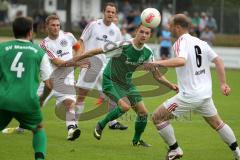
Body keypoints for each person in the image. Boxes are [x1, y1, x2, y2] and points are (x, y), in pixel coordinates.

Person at [147, 14, 240, 160]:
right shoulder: (201, 42)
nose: (168, 28)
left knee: (158, 117)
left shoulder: (179, 42)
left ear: (177, 28)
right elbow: (219, 60)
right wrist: (223, 83)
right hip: (205, 95)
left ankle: (175, 150)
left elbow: (181, 61)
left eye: (170, 26)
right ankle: (237, 153)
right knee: (218, 123)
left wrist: (157, 63)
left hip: (189, 96)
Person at [72, 24, 178, 146]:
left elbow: (157, 75)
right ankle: (100, 124)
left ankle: (136, 141)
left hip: (126, 83)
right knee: (125, 106)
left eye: (147, 33)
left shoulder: (147, 52)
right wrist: (78, 58)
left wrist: (170, 85)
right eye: (141, 32)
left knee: (143, 112)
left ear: (150, 36)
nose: (143, 35)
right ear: (136, 31)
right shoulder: (123, 45)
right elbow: (99, 50)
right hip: (110, 80)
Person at [0, 16, 52, 160]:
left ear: (13, 31)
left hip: (3, 99)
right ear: (30, 32)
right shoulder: (39, 52)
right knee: (38, 128)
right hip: (27, 101)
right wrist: (41, 99)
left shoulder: (1, 48)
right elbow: (48, 84)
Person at [75, 2, 128, 130]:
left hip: (105, 67)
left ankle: (112, 122)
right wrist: (80, 58)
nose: (110, 14)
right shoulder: (94, 25)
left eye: (112, 12)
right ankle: (73, 124)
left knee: (113, 94)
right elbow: (81, 41)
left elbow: (118, 50)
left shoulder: (116, 31)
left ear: (115, 15)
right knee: (82, 95)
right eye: (108, 11)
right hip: (90, 64)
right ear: (103, 12)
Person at [39, 14, 86, 141]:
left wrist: (77, 57)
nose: (56, 28)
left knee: (70, 104)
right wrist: (77, 63)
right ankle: (22, 126)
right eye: (53, 25)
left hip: (67, 80)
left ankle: (71, 130)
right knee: (36, 104)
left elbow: (78, 47)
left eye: (58, 25)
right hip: (50, 80)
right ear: (46, 27)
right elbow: (58, 63)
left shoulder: (68, 36)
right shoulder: (44, 44)